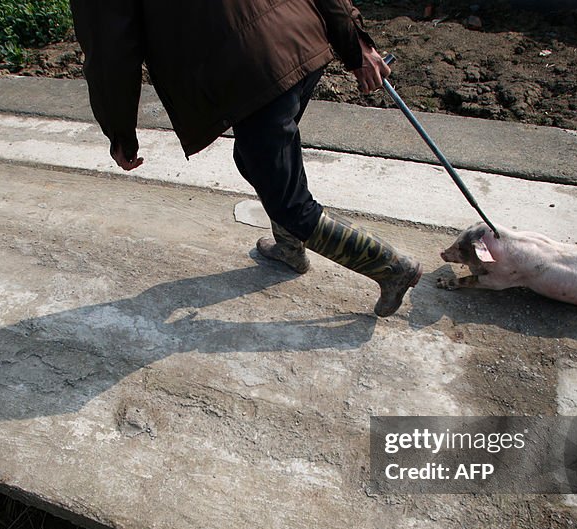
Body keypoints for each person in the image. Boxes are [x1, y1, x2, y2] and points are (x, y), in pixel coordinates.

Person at [70, 0, 422, 317]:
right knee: (261, 156)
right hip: (300, 35)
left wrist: (120, 132)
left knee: (288, 203)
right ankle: (289, 247)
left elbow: (110, 50)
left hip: (247, 66)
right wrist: (352, 38)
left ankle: (392, 268)